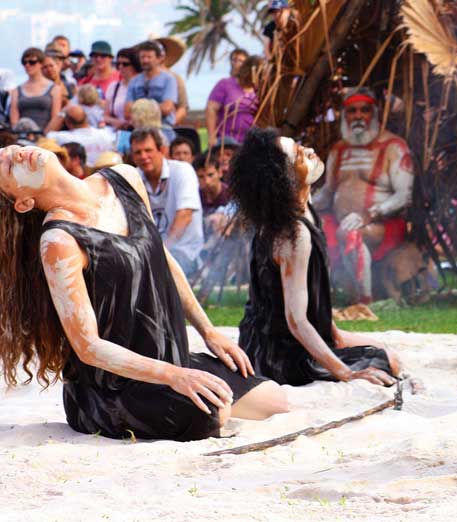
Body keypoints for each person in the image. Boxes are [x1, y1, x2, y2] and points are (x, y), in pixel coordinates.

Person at [0, 144, 290, 440]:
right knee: (213, 414)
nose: (18, 155)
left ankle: (189, 379)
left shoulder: (124, 178)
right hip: (114, 388)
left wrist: (208, 330)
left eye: (14, 150)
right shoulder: (58, 241)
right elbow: (88, 347)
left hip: (170, 358)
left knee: (275, 402)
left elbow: (161, 256)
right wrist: (174, 376)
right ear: (23, 203)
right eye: (10, 167)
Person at [230, 127, 402, 386]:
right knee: (389, 360)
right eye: (299, 155)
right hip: (279, 355)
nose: (309, 151)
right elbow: (296, 320)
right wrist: (347, 373)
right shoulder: (293, 234)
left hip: (270, 341)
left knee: (386, 353)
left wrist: (335, 335)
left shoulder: (302, 211)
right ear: (285, 178)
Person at [313, 88, 417, 304]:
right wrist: (303, 205)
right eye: (352, 111)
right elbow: (328, 192)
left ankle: (364, 302)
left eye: (364, 110)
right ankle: (314, 297)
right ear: (345, 115)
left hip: (383, 226)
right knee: (308, 232)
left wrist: (369, 214)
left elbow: (404, 196)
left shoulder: (394, 146)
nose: (358, 116)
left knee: (350, 233)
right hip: (342, 222)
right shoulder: (339, 150)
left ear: (374, 113)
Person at [130, 127, 203, 276]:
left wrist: (163, 251)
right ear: (132, 157)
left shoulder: (183, 170)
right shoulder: (133, 177)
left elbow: (185, 215)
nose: (144, 156)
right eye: (138, 152)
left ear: (162, 150)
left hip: (183, 250)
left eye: (148, 150)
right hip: (149, 251)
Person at [205, 55, 261, 144]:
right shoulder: (225, 84)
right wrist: (212, 137)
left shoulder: (259, 90)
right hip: (227, 142)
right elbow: (211, 109)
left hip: (251, 143)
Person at [125, 41, 178, 126]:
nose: (145, 60)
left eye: (149, 57)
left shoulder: (168, 79)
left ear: (158, 59)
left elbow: (167, 108)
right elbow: (127, 112)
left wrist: (139, 108)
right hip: (139, 128)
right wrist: (155, 108)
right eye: (142, 57)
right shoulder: (134, 81)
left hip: (162, 126)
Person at [9, 48, 62, 132]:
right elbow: (14, 122)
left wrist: (42, 137)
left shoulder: (55, 88)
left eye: (32, 62)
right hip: (21, 136)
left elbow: (55, 119)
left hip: (45, 136)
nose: (27, 65)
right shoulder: (16, 90)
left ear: (41, 64)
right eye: (24, 62)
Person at [47, 105, 115, 169]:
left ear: (67, 122)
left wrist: (62, 113)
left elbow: (46, 134)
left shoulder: (62, 138)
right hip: (104, 175)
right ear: (86, 118)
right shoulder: (106, 134)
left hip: (78, 178)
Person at [104, 48, 141, 130]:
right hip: (118, 131)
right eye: (118, 64)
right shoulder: (113, 87)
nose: (120, 67)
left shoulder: (143, 87)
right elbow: (105, 116)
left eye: (125, 64)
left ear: (135, 65)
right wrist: (115, 122)